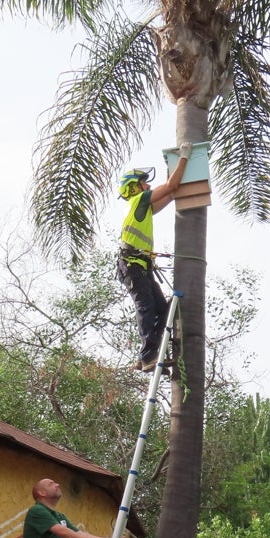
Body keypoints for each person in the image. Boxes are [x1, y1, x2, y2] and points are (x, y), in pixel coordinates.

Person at [117, 141, 192, 372]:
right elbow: (170, 186)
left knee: (162, 309)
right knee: (146, 307)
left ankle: (149, 356)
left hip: (141, 268)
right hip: (132, 266)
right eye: (144, 182)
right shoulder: (138, 201)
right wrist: (184, 158)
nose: (148, 185)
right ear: (134, 188)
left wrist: (173, 166)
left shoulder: (144, 208)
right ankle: (147, 356)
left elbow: (170, 193)